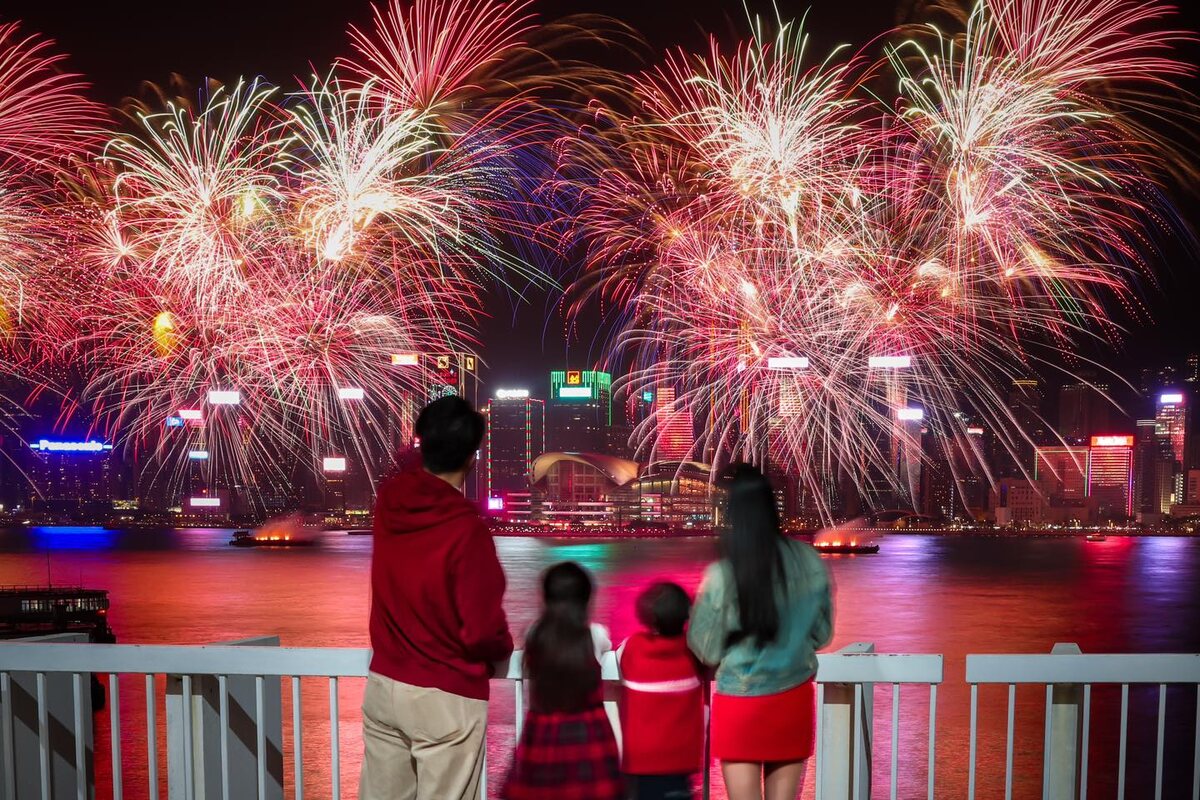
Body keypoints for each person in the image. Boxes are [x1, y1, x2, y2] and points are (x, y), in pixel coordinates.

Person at [360, 396, 513, 800]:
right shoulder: (466, 531)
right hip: (445, 693)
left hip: (384, 686)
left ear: (421, 444)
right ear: (472, 458)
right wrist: (503, 649)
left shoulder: (388, 503)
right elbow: (481, 629)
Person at [687, 465, 833, 800]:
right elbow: (822, 634)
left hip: (739, 701)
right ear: (773, 508)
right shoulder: (809, 560)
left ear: (734, 513)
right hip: (792, 698)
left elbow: (706, 649)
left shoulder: (723, 573)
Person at [503, 562, 623, 800]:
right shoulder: (595, 635)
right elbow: (607, 648)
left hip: (543, 732)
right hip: (588, 734)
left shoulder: (534, 635)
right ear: (586, 599)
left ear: (546, 597)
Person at [618, 582, 706, 800]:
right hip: (681, 761)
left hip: (641, 762)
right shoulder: (692, 651)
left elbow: (621, 658)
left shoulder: (635, 648)